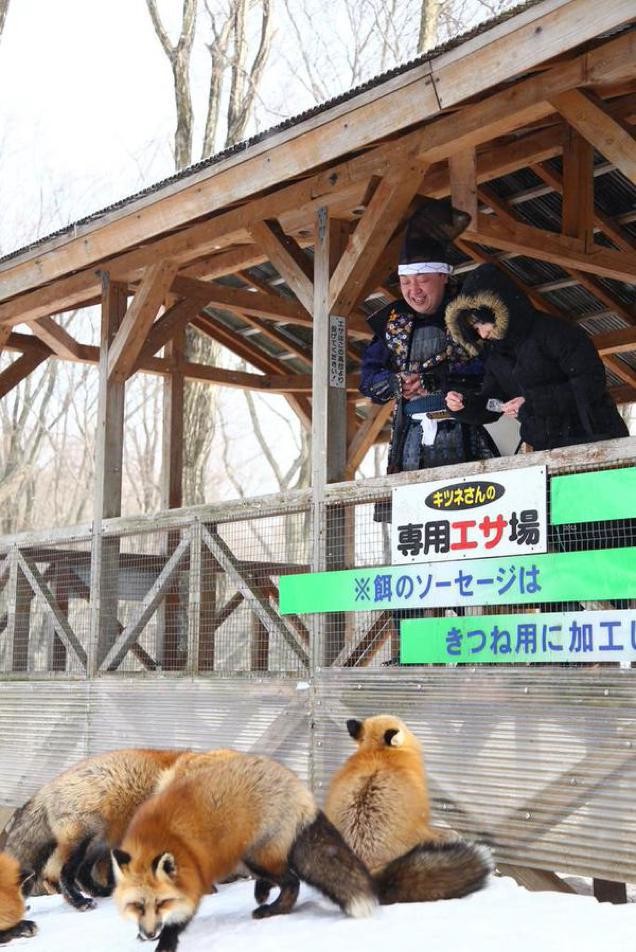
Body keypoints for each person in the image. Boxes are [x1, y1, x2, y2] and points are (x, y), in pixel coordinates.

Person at [359, 204, 499, 490]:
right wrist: (395, 383)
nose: (414, 290)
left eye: (422, 280)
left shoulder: (470, 314)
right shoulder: (392, 321)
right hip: (410, 439)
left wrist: (438, 381)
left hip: (465, 429)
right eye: (405, 282)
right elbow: (367, 381)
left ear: (443, 276)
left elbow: (495, 369)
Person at [444, 264, 629, 450]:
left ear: (498, 310)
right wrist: (463, 405)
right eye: (476, 329)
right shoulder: (496, 357)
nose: (483, 334)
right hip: (546, 451)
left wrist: (533, 401)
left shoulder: (556, 332)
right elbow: (493, 403)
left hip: (599, 439)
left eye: (483, 323)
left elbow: (591, 383)